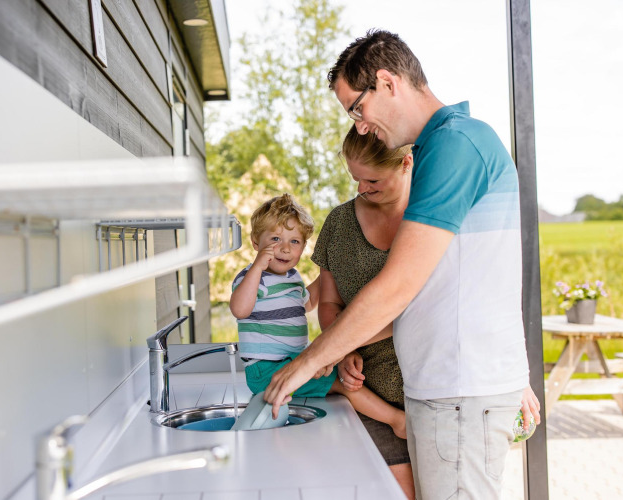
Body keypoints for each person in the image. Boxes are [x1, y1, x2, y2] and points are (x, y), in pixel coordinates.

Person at [264, 30, 542, 500]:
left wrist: (310, 361)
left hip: (459, 393)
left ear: (387, 82)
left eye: (357, 108)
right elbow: (438, 294)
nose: (361, 127)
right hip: (452, 390)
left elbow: (399, 286)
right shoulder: (448, 146)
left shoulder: (454, 147)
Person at [230, 193, 407, 439]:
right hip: (266, 371)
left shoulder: (291, 278)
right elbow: (240, 309)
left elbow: (310, 301)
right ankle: (397, 421)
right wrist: (257, 267)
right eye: (275, 239)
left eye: (295, 241)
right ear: (255, 242)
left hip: (290, 363)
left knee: (342, 377)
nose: (284, 247)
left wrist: (332, 270)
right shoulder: (253, 277)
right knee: (344, 384)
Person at [313, 125, 415, 498]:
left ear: (406, 163)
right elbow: (329, 303)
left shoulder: (431, 222)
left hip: (436, 397)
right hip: (368, 398)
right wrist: (343, 351)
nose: (361, 189)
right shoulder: (339, 225)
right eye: (355, 179)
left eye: (372, 179)